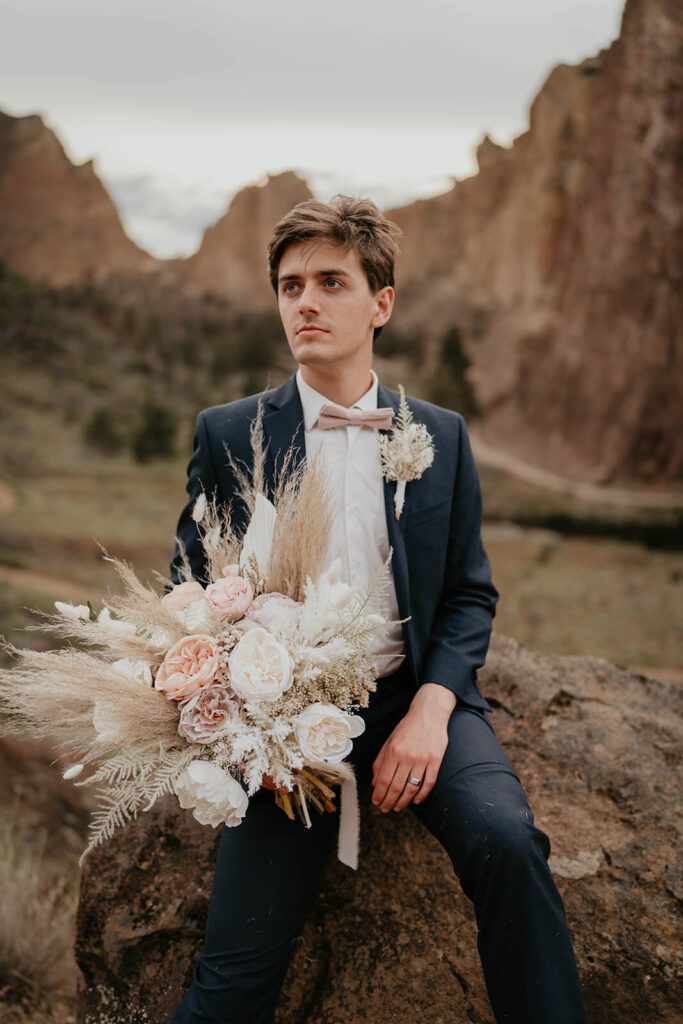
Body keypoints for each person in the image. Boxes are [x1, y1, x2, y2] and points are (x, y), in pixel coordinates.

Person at [168, 195, 588, 1023]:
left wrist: (433, 711)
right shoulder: (228, 432)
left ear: (381, 303)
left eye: (331, 281)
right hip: (280, 721)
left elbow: (469, 592)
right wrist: (251, 715)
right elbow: (188, 584)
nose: (306, 303)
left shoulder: (439, 435)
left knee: (508, 843)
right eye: (290, 286)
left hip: (415, 695)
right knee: (236, 969)